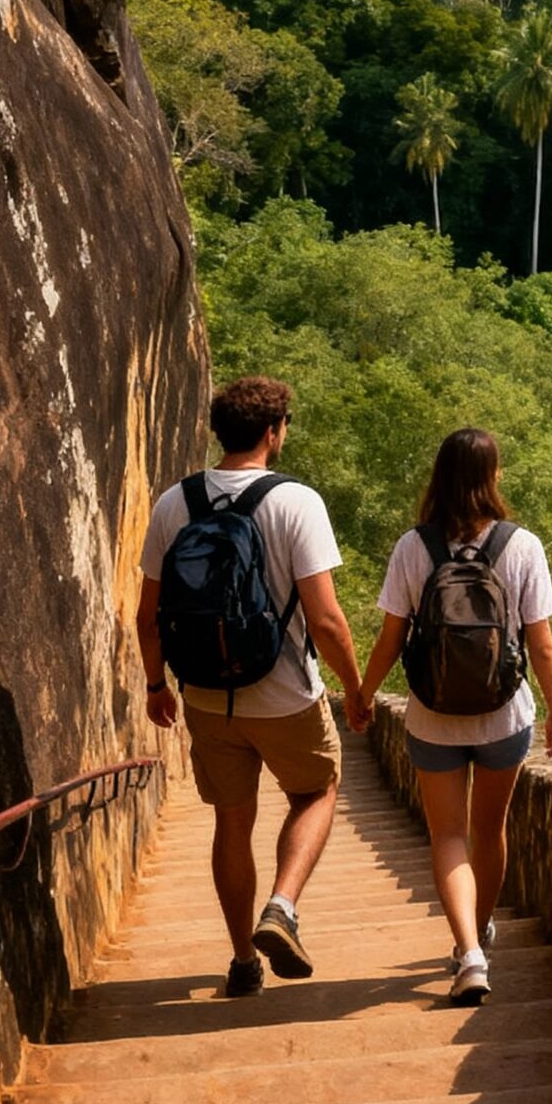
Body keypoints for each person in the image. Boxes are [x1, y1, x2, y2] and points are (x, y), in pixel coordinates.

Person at [137, 376, 366, 996]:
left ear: (221, 432)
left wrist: (157, 685)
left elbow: (147, 616)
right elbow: (325, 619)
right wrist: (357, 691)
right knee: (316, 791)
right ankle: (282, 906)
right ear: (274, 432)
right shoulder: (297, 503)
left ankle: (243, 962)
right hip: (285, 692)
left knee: (231, 823)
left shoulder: (172, 504)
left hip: (205, 695)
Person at [355, 428, 552, 1005]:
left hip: (431, 717)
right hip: (504, 716)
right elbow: (542, 644)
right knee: (489, 830)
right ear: (492, 476)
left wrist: (364, 694)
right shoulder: (522, 546)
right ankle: (482, 928)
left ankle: (468, 951)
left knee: (448, 835)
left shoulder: (413, 547)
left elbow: (391, 638)